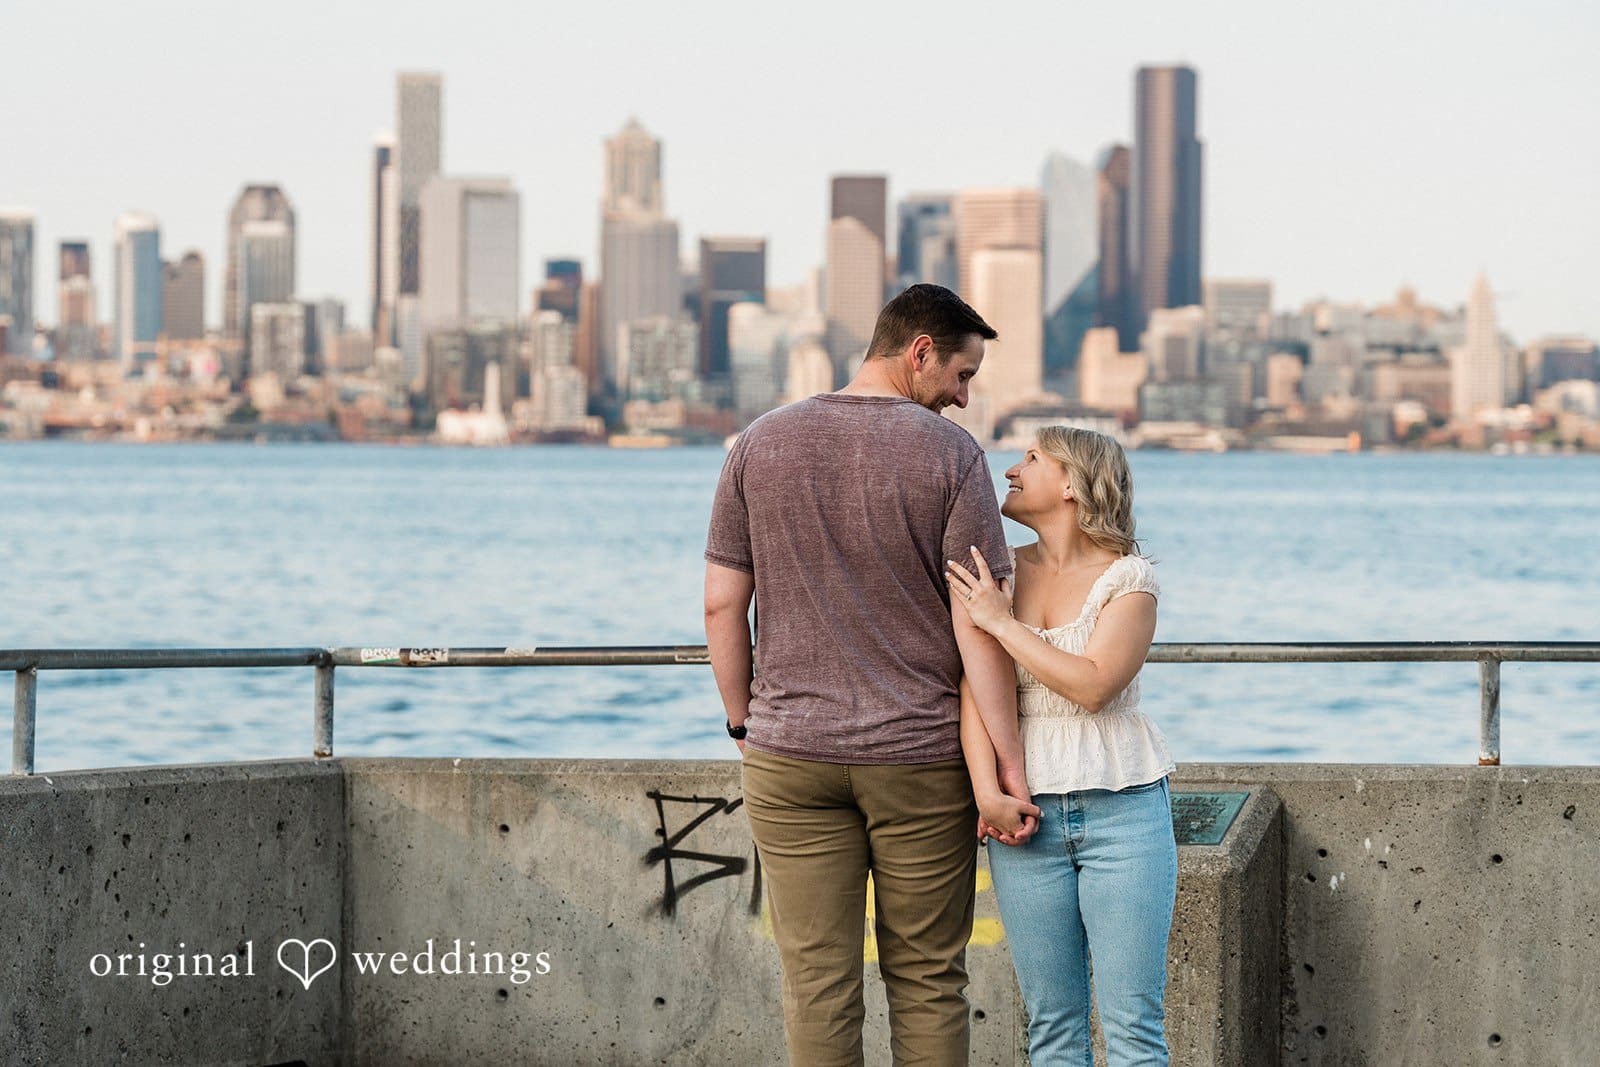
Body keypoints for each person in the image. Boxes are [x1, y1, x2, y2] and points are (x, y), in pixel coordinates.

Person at [704, 283, 1039, 1067]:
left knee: (817, 985)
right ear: (918, 351)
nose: (964, 396)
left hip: (790, 756)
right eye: (961, 374)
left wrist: (743, 724)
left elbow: (723, 606)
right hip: (921, 760)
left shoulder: (759, 442)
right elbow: (980, 624)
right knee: (927, 979)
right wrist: (1007, 762)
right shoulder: (953, 457)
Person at [946, 426, 1177, 1067]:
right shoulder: (998, 574)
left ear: (1072, 484)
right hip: (1026, 819)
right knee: (1052, 1027)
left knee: (1133, 1029)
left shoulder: (1129, 581)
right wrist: (986, 791)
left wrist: (998, 622)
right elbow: (973, 689)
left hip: (1124, 812)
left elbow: (1095, 686)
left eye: (1031, 459)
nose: (1011, 470)